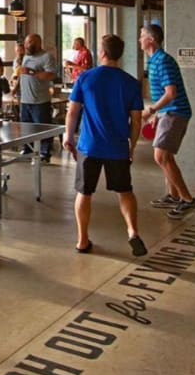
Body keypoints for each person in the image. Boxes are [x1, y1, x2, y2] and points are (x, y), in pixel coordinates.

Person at [63, 34, 147, 256]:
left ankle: (82, 240)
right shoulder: (130, 83)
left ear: (102, 52)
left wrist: (68, 136)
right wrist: (132, 146)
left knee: (84, 192)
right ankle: (132, 231)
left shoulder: (86, 78)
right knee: (125, 191)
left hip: (89, 146)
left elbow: (73, 111)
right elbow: (136, 120)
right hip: (117, 146)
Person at [140, 24, 195, 219]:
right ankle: (174, 196)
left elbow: (171, 93)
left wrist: (151, 110)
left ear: (151, 39)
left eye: (142, 36)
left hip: (175, 113)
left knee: (161, 157)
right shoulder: (154, 60)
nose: (139, 39)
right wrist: (157, 115)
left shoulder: (163, 61)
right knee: (166, 157)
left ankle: (188, 200)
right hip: (167, 113)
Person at [18, 33, 57, 163]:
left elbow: (51, 75)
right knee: (26, 127)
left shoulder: (46, 57)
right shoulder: (25, 56)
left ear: (38, 43)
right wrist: (16, 87)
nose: (27, 45)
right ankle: (27, 149)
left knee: (42, 128)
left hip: (40, 100)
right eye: (26, 42)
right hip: (25, 99)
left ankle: (45, 153)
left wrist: (32, 72)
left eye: (30, 43)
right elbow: (22, 74)